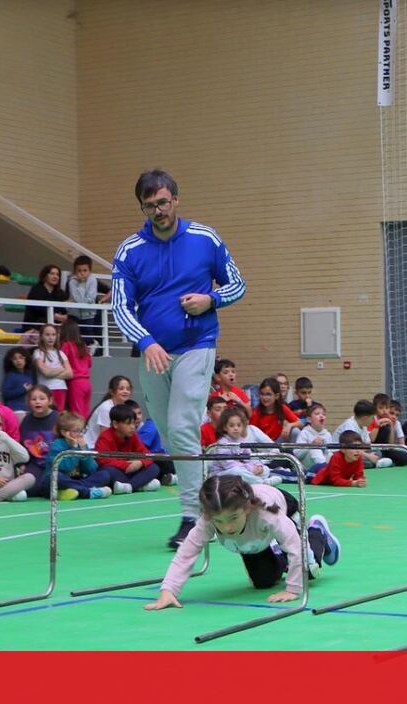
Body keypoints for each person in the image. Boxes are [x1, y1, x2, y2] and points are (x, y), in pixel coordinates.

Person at [112, 169, 246, 548]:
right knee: (173, 436)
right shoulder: (130, 251)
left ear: (176, 200)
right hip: (153, 352)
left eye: (163, 202)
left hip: (197, 344)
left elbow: (237, 284)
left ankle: (194, 517)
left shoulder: (205, 239)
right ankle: (220, 497)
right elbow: (120, 307)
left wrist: (211, 299)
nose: (158, 210)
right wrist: (145, 340)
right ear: (142, 207)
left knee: (184, 425)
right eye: (150, 205)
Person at [144, 475, 341, 610]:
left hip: (283, 507)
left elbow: (295, 548)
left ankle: (317, 531)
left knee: (309, 569)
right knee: (263, 582)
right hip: (252, 539)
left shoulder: (267, 515)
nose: (227, 528)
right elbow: (186, 554)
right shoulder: (208, 520)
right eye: (218, 521)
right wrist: (168, 590)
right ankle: (275, 549)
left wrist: (293, 589)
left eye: (232, 518)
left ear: (246, 509)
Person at [40, 412, 113, 500]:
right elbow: (66, 467)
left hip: (75, 481)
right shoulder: (57, 445)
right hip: (54, 483)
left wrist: (83, 450)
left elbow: (92, 469)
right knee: (56, 477)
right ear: (64, 432)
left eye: (82, 430)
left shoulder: (81, 445)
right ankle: (88, 492)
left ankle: (72, 491)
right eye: (76, 431)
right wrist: (74, 448)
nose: (80, 434)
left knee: (104, 475)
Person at [94, 404, 162, 494]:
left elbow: (146, 454)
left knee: (154, 468)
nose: (133, 427)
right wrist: (127, 465)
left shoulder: (133, 435)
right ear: (115, 424)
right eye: (128, 423)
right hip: (118, 470)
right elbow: (103, 461)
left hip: (130, 470)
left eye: (134, 423)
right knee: (108, 472)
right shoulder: (105, 437)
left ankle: (129, 486)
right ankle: (139, 485)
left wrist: (140, 462)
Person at [210, 406, 280, 486]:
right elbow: (228, 464)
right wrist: (248, 469)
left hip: (243, 469)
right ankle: (262, 483)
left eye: (239, 425)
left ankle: (256, 480)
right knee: (237, 472)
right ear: (225, 427)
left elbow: (249, 458)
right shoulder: (222, 443)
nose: (236, 428)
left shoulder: (242, 441)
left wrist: (257, 466)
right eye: (232, 425)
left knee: (265, 469)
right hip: (222, 473)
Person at [65, 255, 110, 350]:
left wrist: (99, 300)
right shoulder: (72, 281)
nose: (82, 273)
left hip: (89, 314)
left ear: (89, 271)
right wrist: (81, 284)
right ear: (75, 271)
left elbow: (90, 298)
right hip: (74, 314)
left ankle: (91, 347)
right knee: (73, 335)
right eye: (79, 271)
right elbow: (77, 299)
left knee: (87, 334)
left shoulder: (93, 280)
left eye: (85, 270)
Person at [335, 400, 393, 468]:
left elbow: (367, 444)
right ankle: (376, 462)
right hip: (342, 453)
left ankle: (375, 462)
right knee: (357, 458)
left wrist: (367, 453)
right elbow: (350, 449)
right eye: (372, 418)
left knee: (377, 451)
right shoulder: (350, 426)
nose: (373, 420)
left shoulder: (363, 425)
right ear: (365, 418)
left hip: (358, 450)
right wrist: (368, 456)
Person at [130, 399, 176, 484]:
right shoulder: (137, 429)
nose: (138, 417)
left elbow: (137, 452)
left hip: (164, 462)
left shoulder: (149, 427)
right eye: (134, 414)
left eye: (139, 413)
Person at [85, 375, 133, 448]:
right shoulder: (106, 408)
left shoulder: (126, 407)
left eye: (128, 389)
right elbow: (104, 437)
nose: (125, 391)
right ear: (112, 391)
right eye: (121, 388)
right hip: (93, 447)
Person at [33, 323, 73, 411]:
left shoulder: (61, 353)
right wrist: (61, 369)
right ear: (42, 336)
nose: (50, 338)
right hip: (46, 389)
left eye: (53, 335)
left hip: (60, 388)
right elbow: (45, 372)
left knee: (58, 415)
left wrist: (51, 372)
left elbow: (70, 373)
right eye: (47, 335)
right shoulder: (38, 352)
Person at [59, 319, 93, 415]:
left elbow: (60, 361)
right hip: (86, 382)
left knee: (76, 414)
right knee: (85, 413)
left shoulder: (66, 345)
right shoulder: (83, 346)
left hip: (75, 382)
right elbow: (90, 364)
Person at [22, 264, 69, 332]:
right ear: (45, 275)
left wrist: (64, 316)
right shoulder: (36, 289)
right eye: (52, 274)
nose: (55, 276)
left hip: (54, 327)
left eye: (57, 274)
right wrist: (55, 316)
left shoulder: (60, 292)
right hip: (34, 325)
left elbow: (63, 309)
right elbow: (39, 309)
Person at [250, 377, 299, 441]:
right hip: (263, 445)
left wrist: (290, 425)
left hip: (278, 442)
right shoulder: (256, 412)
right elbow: (252, 433)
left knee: (295, 431)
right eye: (262, 394)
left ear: (276, 396)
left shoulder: (282, 408)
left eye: (268, 394)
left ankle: (296, 451)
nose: (265, 398)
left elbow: (299, 422)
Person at [293, 402, 333, 478]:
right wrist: (311, 445)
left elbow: (329, 452)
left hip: (323, 463)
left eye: (323, 414)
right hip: (307, 467)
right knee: (315, 449)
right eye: (317, 414)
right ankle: (324, 470)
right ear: (309, 419)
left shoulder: (327, 434)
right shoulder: (305, 433)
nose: (321, 416)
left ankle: (329, 470)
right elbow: (297, 454)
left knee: (332, 455)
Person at [1, 347, 36, 413]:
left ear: (26, 359)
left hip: (29, 408)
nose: (18, 361)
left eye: (21, 358)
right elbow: (6, 394)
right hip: (15, 409)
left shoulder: (29, 374)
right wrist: (23, 389)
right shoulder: (10, 376)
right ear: (11, 361)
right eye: (15, 359)